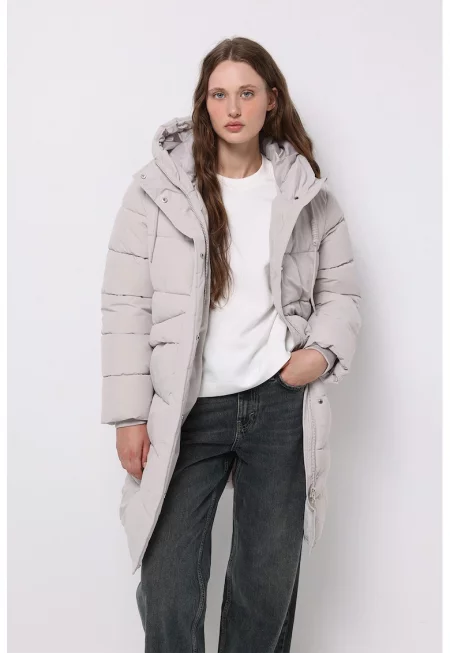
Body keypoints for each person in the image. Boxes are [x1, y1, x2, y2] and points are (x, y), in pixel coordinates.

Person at [100, 36, 362, 653]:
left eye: (247, 93)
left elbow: (341, 292)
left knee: (265, 588)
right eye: (220, 94)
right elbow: (125, 304)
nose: (233, 108)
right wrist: (130, 415)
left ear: (271, 100)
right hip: (187, 410)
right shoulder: (157, 191)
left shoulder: (304, 192)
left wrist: (319, 354)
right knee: (167, 587)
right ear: (204, 103)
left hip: (278, 405)